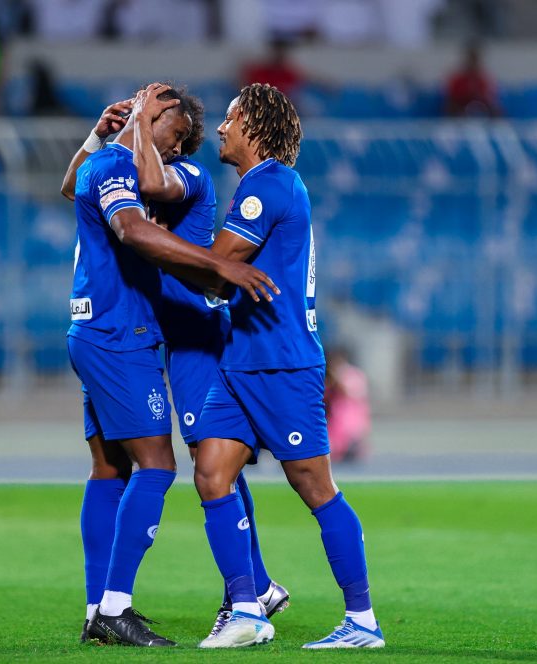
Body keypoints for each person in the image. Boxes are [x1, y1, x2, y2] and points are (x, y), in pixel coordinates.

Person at [61, 84, 288, 644]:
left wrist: (136, 124)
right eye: (153, 109)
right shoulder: (114, 167)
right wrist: (110, 130)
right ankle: (109, 607)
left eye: (162, 114)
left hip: (197, 335)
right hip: (142, 334)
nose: (148, 114)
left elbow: (146, 184)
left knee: (212, 462)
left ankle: (251, 590)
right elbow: (80, 190)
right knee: (142, 466)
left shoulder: (184, 176)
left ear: (178, 138)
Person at [192, 83, 385, 649]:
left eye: (229, 118)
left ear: (253, 125)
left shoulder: (270, 185)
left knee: (314, 486)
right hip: (240, 361)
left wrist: (147, 240)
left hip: (280, 365)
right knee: (211, 474)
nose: (221, 129)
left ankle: (363, 620)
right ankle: (248, 609)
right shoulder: (258, 186)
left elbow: (216, 266)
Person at [324, 347, 372, 462]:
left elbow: (351, 393)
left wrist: (337, 380)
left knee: (348, 454)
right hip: (334, 425)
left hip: (351, 425)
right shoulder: (328, 378)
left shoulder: (353, 375)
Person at [444, 42, 501, 117]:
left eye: (475, 60)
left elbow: (489, 102)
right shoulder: (457, 80)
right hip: (460, 116)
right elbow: (450, 103)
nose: (473, 63)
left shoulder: (484, 80)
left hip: (481, 115)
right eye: (471, 60)